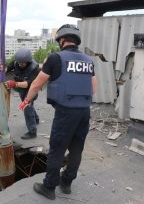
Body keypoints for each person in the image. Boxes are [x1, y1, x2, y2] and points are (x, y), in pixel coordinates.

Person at [19, 24, 97, 200]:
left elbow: (37, 84)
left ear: (62, 40)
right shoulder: (88, 61)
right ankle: (67, 183)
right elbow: (93, 88)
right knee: (76, 150)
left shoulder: (55, 58)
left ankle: (49, 187)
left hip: (65, 113)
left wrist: (26, 101)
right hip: (84, 112)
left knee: (57, 149)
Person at [0, 48, 41, 139]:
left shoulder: (34, 68)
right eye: (19, 62)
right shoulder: (16, 62)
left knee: (27, 107)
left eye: (22, 63)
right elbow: (8, 67)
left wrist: (14, 84)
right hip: (21, 88)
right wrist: (3, 69)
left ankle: (32, 131)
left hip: (31, 89)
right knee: (28, 105)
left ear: (28, 61)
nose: (20, 64)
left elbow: (28, 84)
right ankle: (36, 119)